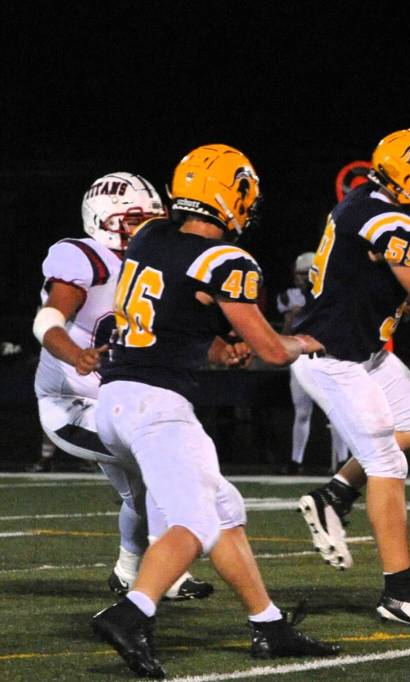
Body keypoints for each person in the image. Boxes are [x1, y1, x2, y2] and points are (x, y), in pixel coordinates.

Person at [90, 145, 337, 678]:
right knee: (197, 522)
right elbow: (272, 350)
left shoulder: (151, 237)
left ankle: (268, 624)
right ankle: (131, 614)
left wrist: (216, 350)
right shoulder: (225, 260)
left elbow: (167, 319)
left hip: (115, 397)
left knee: (224, 510)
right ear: (233, 194)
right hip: (157, 405)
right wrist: (307, 342)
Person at [291, 129, 410, 629]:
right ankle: (400, 592)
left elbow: (391, 275)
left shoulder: (363, 202)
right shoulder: (392, 220)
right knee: (387, 461)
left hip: (361, 353)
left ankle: (335, 494)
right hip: (333, 360)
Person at [33, 171, 213, 602]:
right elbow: (47, 320)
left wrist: (225, 349)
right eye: (134, 219)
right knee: (163, 460)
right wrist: (74, 355)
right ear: (104, 220)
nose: (146, 227)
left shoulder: (151, 260)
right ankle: (158, 573)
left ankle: (130, 570)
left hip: (119, 403)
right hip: (72, 403)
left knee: (142, 486)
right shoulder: (86, 256)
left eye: (152, 218)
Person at [276, 252, 347, 474]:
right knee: (302, 412)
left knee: (337, 410)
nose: (303, 278)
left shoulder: (332, 293)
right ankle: (296, 461)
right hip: (301, 359)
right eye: (300, 274)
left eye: (307, 273)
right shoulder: (288, 296)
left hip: (327, 356)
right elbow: (285, 334)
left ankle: (342, 461)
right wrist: (292, 318)